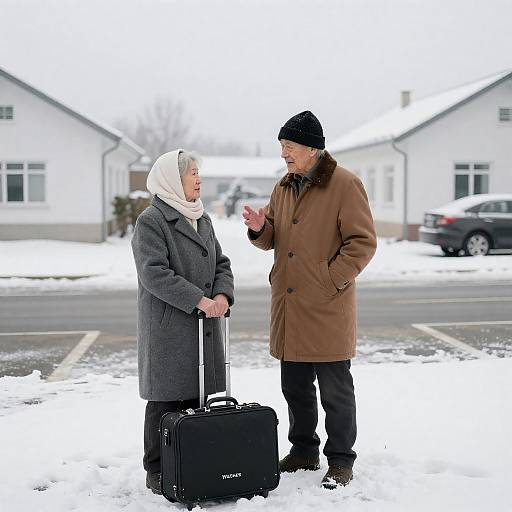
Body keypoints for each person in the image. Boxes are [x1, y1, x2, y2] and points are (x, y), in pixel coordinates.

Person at [243, 111, 376, 490]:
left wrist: (329, 279)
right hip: (289, 305)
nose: (284, 154)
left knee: (336, 389)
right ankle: (303, 451)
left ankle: (341, 460)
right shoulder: (284, 186)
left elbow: (362, 242)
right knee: (295, 387)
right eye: (282, 147)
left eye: (289, 147)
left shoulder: (345, 185)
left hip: (327, 305)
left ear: (312, 149)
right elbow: (275, 238)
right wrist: (259, 229)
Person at [131, 149, 234, 494]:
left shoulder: (202, 218)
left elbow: (221, 263)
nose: (198, 179)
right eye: (192, 173)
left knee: (199, 396)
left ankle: (192, 461)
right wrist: (198, 300)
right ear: (172, 181)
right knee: (165, 400)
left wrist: (221, 295)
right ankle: (157, 469)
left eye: (197, 172)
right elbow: (153, 273)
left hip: (203, 323)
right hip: (169, 327)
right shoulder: (152, 220)